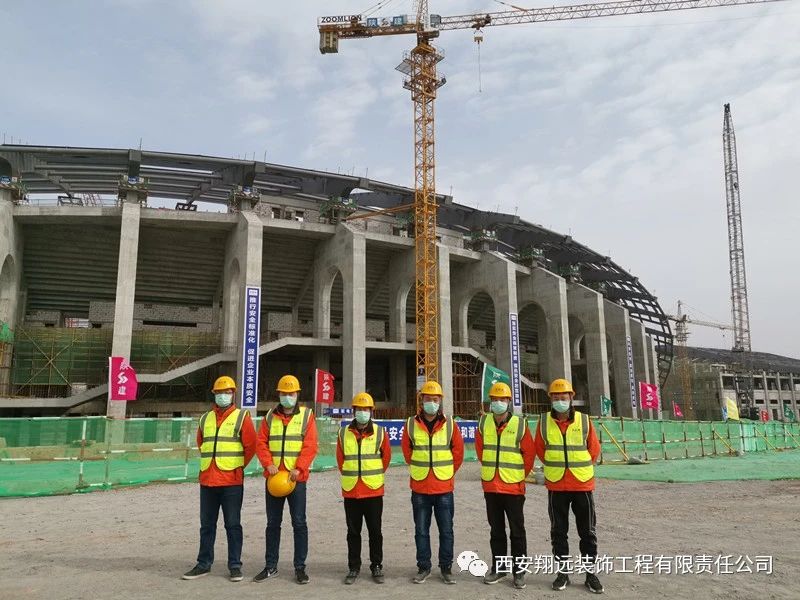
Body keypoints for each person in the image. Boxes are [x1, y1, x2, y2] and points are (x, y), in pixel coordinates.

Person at [182, 376, 257, 582]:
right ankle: (203, 564)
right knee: (206, 525)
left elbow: (251, 446)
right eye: (219, 392)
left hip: (231, 481)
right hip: (208, 480)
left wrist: (235, 466)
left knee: (233, 525)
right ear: (214, 394)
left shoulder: (242, 417)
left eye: (227, 392)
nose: (223, 395)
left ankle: (235, 565)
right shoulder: (205, 418)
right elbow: (202, 443)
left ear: (233, 394)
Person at [533, 378, 603, 594]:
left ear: (571, 397)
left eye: (563, 397)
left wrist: (577, 467)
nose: (559, 400)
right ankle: (562, 574)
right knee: (558, 532)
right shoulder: (543, 422)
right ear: (550, 399)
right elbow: (540, 449)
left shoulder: (584, 421)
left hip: (581, 485)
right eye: (555, 397)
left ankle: (590, 574)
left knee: (587, 532)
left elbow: (594, 450)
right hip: (557, 486)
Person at [254, 374, 318, 584]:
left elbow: (310, 445)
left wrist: (299, 468)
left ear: (297, 394)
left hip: (296, 480)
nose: (287, 397)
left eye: (291, 393)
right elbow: (261, 443)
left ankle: (300, 568)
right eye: (284, 393)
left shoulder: (307, 416)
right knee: (273, 523)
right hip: (274, 479)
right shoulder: (269, 417)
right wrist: (267, 464)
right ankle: (271, 566)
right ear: (279, 394)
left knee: (299, 523)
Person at [401, 380, 464, 585]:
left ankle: (446, 568)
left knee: (446, 531)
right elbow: (407, 453)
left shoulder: (450, 425)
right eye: (428, 399)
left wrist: (446, 473)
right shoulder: (411, 424)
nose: (431, 402)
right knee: (421, 531)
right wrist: (421, 470)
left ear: (440, 401)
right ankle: (424, 567)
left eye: (435, 399)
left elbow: (458, 453)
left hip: (443, 487)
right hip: (420, 487)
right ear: (422, 400)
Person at [475, 382, 535, 589]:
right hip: (492, 487)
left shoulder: (520, 424)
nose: (498, 402)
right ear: (490, 402)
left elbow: (529, 454)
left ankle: (519, 572)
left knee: (517, 531)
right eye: (494, 399)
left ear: (509, 401)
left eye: (502, 399)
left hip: (513, 487)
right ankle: (499, 568)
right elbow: (481, 451)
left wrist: (517, 476)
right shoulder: (483, 423)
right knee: (496, 531)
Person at [336, 392, 392, 585]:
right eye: (359, 409)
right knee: (353, 532)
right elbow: (341, 460)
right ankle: (353, 567)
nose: (362, 412)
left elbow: (385, 459)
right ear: (354, 411)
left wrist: (372, 476)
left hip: (373, 490)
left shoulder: (380, 432)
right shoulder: (343, 433)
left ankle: (376, 566)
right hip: (351, 490)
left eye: (366, 409)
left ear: (371, 411)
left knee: (375, 531)